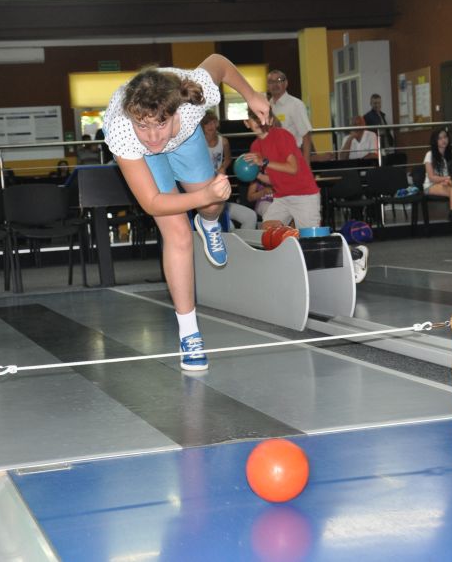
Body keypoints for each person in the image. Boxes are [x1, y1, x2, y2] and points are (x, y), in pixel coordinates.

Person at [103, 54, 269, 372]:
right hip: (143, 158)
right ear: (132, 118)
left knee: (212, 205)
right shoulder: (122, 131)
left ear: (175, 111)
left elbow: (219, 63)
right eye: (143, 125)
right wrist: (203, 194)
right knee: (178, 234)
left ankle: (208, 224)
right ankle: (190, 334)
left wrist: (251, 95)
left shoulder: (192, 100)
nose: (153, 136)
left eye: (160, 123)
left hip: (185, 139)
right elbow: (152, 203)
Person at [243, 107, 369, 284]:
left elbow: (292, 168)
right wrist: (254, 175)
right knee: (268, 230)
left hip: (304, 195)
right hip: (282, 197)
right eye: (254, 118)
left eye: (262, 117)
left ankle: (356, 254)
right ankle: (289, 265)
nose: (259, 121)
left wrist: (264, 162)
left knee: (314, 243)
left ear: (270, 120)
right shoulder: (255, 147)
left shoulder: (282, 136)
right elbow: (273, 178)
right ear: (247, 123)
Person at [201, 110, 257, 229]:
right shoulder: (198, 143)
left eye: (213, 122)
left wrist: (223, 167)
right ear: (202, 126)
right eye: (207, 123)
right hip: (205, 188)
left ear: (217, 123)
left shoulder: (223, 141)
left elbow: (228, 158)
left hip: (219, 186)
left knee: (248, 217)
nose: (211, 126)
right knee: (228, 226)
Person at [267, 69, 313, 165]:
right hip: (273, 158)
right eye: (271, 82)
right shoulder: (267, 105)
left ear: (286, 83)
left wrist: (306, 165)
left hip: (294, 156)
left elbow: (306, 136)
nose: (275, 84)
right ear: (268, 85)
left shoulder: (295, 105)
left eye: (279, 80)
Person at [423, 128, 452, 223]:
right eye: (440, 138)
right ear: (435, 141)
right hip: (431, 185)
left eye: (445, 137)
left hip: (448, 184)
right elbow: (431, 177)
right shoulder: (429, 154)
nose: (443, 140)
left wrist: (448, 181)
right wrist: (446, 179)